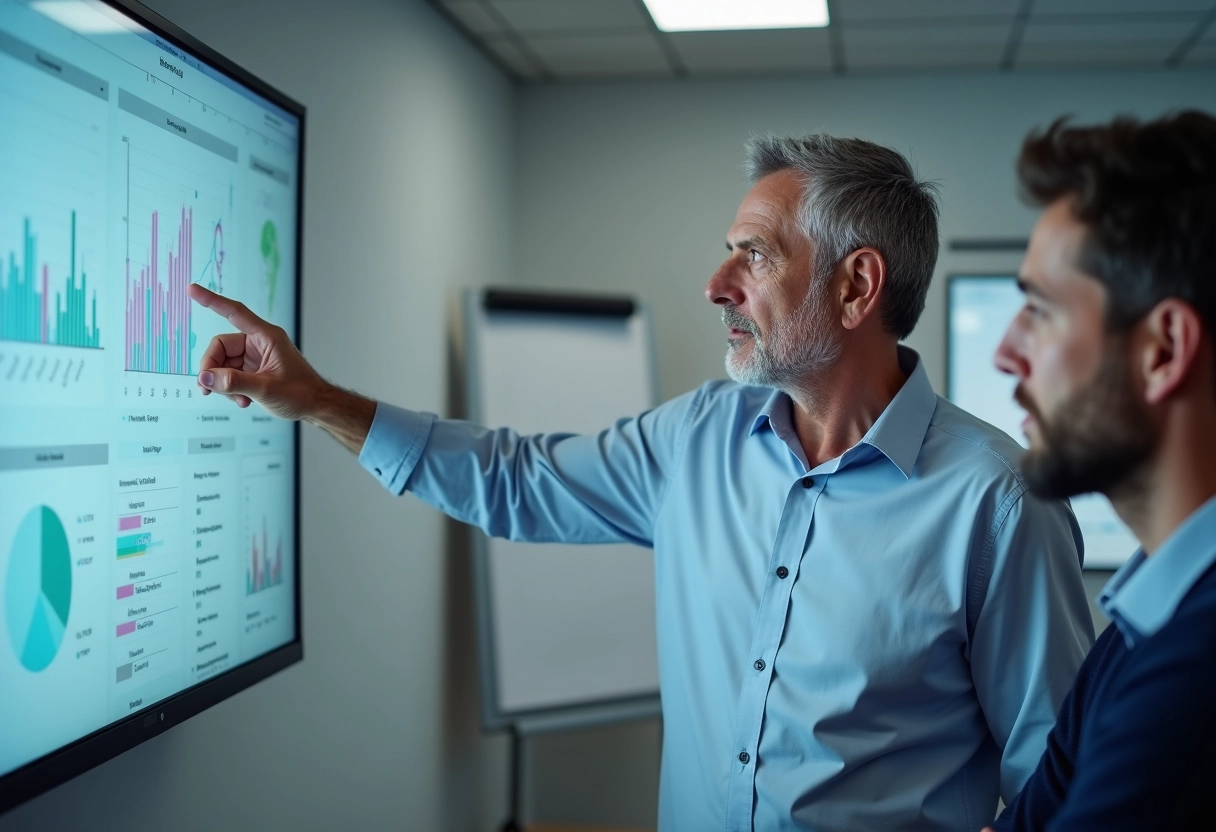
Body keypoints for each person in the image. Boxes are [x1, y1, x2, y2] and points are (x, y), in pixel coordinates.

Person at [188, 134, 1094, 831]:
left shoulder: (998, 503)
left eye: (756, 255)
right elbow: (517, 480)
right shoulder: (697, 437)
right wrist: (315, 401)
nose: (715, 284)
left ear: (857, 288)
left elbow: (1058, 774)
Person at [983, 111, 1216, 831]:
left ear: (1162, 351)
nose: (1005, 353)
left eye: (1039, 310)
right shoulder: (1135, 632)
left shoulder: (1196, 668)